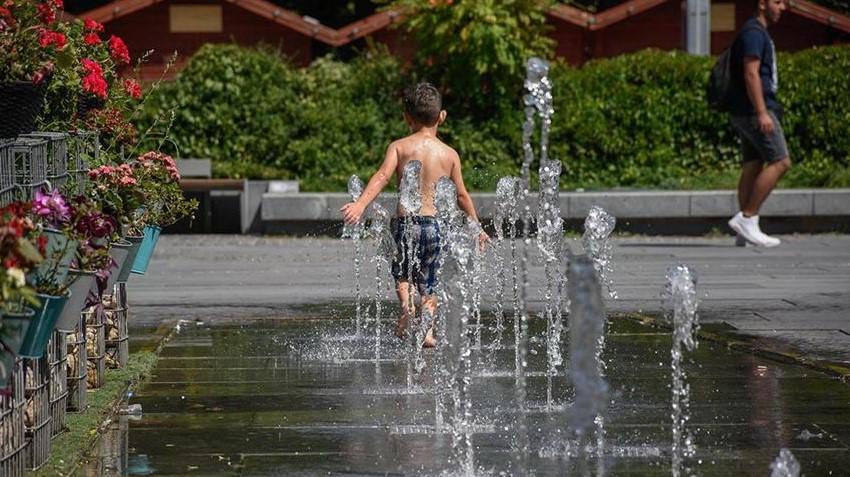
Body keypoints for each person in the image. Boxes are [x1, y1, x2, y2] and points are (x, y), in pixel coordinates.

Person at [340, 82, 488, 347]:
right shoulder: (450, 154)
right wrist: (476, 227)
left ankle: (407, 311)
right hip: (436, 227)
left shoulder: (399, 146)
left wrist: (360, 205)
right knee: (431, 281)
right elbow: (462, 195)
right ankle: (428, 331)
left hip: (406, 225)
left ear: (406, 117)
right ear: (441, 116)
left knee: (404, 276)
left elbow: (382, 176)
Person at [726, 0, 792, 247]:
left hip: (745, 110)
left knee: (753, 164)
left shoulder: (753, 31)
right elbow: (751, 72)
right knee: (781, 161)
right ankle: (748, 217)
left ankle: (744, 230)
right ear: (762, 4)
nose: (783, 7)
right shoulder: (754, 33)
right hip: (756, 110)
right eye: (777, 1)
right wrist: (763, 112)